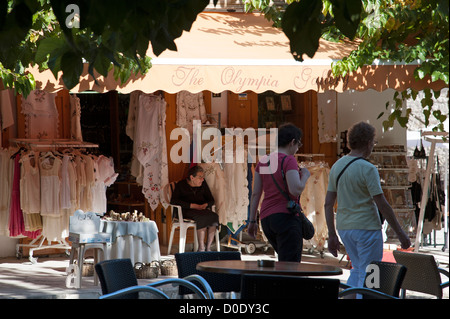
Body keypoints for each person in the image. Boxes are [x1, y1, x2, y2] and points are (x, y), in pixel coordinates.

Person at [324, 121, 411, 294]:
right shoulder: (368, 169)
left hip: (344, 228)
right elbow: (382, 205)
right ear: (369, 143)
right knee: (371, 275)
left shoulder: (337, 166)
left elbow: (328, 203)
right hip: (367, 228)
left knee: (357, 270)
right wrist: (401, 234)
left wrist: (331, 234)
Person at [248, 123, 310, 262]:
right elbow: (295, 189)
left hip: (267, 219)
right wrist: (305, 175)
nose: (297, 148)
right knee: (290, 267)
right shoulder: (289, 160)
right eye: (298, 144)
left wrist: (252, 220)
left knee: (284, 261)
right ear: (292, 142)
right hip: (286, 217)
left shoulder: (263, 161)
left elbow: (256, 194)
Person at [171, 166, 219, 251]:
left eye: (203, 177)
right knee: (202, 217)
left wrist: (206, 204)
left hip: (201, 210)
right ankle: (201, 247)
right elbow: (173, 201)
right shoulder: (181, 185)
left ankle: (208, 248)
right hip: (186, 211)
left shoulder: (203, 185)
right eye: (200, 177)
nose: (202, 180)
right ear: (192, 177)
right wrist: (191, 205)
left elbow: (211, 200)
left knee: (214, 216)